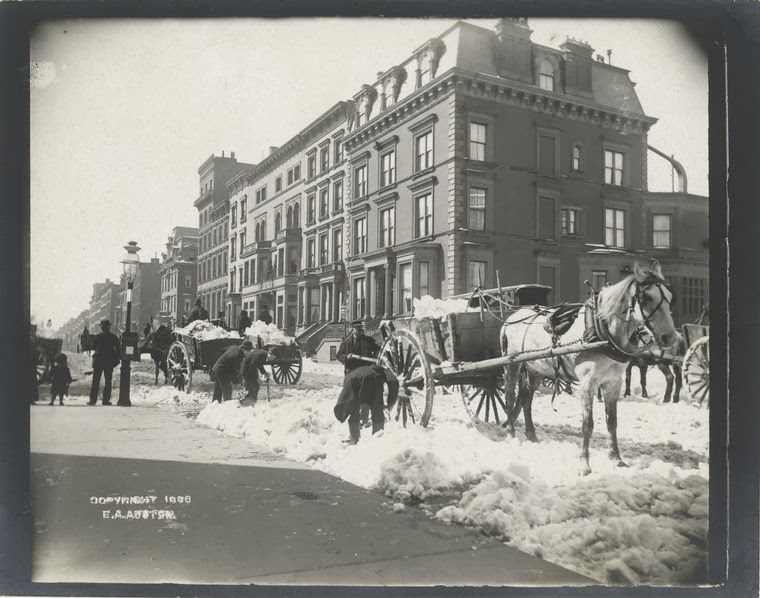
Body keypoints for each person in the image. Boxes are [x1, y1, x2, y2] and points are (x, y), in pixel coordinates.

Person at [333, 364, 399, 444]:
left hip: (351, 380)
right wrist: (390, 403)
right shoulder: (382, 371)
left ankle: (354, 439)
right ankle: (377, 440)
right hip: (372, 379)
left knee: (354, 411)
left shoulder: (361, 369)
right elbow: (393, 382)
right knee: (377, 413)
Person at [89, 319, 121, 406]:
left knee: (95, 381)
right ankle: (105, 400)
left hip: (98, 361)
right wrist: (116, 357)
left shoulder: (97, 337)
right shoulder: (113, 337)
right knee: (108, 381)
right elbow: (118, 349)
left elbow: (92, 347)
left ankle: (93, 400)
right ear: (109, 327)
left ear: (101, 327)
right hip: (108, 361)